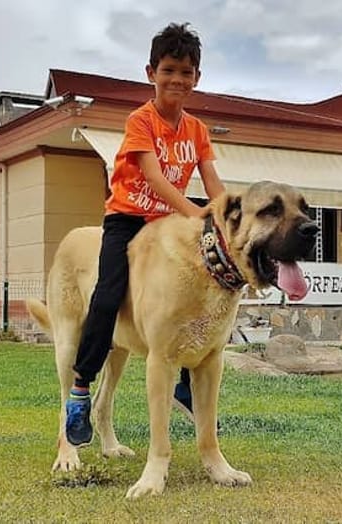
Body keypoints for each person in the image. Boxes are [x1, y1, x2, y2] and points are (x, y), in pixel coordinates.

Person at [66, 22, 226, 446]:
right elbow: (153, 178)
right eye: (169, 70)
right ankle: (81, 389)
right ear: (151, 72)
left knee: (204, 288)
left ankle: (187, 388)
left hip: (168, 225)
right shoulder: (141, 120)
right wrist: (196, 214)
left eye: (187, 72)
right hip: (128, 220)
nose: (178, 79)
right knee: (107, 293)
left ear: (197, 78)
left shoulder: (197, 131)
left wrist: (227, 216)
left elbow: (213, 182)